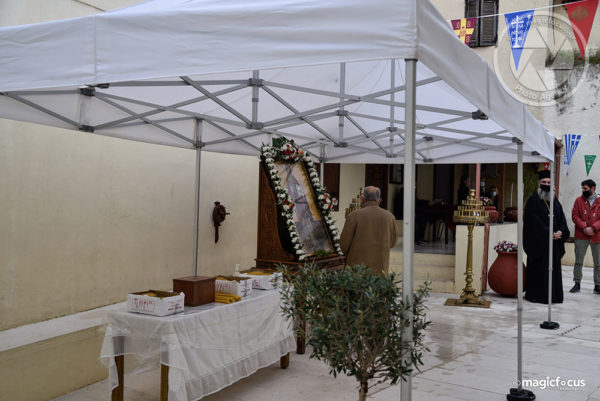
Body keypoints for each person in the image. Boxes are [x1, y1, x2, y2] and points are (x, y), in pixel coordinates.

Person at [523, 170, 570, 304]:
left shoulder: (555, 201)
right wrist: (548, 232)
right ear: (539, 184)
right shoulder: (533, 200)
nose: (546, 185)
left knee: (553, 270)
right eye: (544, 182)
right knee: (540, 271)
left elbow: (562, 220)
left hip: (554, 244)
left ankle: (554, 296)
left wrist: (561, 232)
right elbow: (532, 222)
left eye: (549, 182)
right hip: (539, 245)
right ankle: (537, 296)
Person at [340, 186, 398, 275]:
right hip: (380, 265)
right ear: (379, 200)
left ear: (362, 199)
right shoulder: (389, 216)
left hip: (357, 267)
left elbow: (344, 245)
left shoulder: (354, 216)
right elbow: (393, 242)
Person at [570, 179, 600, 294]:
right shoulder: (578, 200)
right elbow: (575, 216)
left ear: (593, 188)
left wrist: (593, 228)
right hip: (581, 235)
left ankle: (598, 285)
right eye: (582, 188)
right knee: (578, 261)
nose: (583, 190)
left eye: (585, 188)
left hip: (597, 235)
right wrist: (584, 227)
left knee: (598, 262)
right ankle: (577, 283)